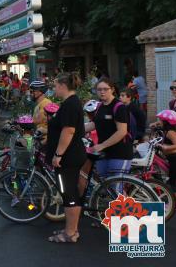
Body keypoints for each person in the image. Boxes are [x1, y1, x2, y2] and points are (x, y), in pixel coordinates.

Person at [46, 72, 86, 243]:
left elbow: (68, 131)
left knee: (68, 194)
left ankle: (70, 234)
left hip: (67, 158)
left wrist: (58, 155)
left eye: (56, 85)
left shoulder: (70, 104)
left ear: (63, 86)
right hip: (71, 157)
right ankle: (71, 229)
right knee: (70, 193)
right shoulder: (70, 103)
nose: (54, 89)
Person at [85, 78, 133, 178]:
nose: (102, 92)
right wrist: (75, 130)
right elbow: (94, 124)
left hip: (119, 153)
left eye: (105, 89)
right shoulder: (99, 106)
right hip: (103, 154)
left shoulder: (119, 107)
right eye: (99, 89)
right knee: (105, 189)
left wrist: (102, 145)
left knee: (116, 188)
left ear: (112, 89)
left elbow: (122, 132)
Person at [155, 110, 176, 195]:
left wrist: (166, 147)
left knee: (174, 184)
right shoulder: (166, 131)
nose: (159, 121)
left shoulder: (171, 132)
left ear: (166, 122)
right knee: (171, 180)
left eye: (161, 120)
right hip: (172, 158)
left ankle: (175, 204)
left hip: (175, 159)